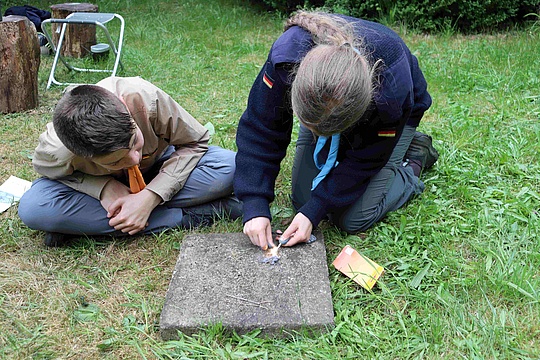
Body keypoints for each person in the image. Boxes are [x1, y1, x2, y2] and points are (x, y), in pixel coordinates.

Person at [234, 11, 439, 250]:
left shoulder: (389, 92)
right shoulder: (285, 58)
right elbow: (262, 127)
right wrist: (254, 203)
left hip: (393, 121)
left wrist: (316, 210)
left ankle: (413, 160)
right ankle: (328, 131)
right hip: (329, 108)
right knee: (302, 199)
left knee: (353, 218)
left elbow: (366, 159)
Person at [19, 76, 241, 246]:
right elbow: (50, 173)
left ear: (124, 106)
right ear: (79, 154)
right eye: (116, 161)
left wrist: (150, 197)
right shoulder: (57, 150)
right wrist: (103, 188)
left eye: (135, 143)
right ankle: (195, 215)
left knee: (235, 168)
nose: (134, 158)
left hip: (160, 165)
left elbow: (196, 142)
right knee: (35, 208)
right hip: (103, 194)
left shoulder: (146, 97)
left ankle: (80, 226)